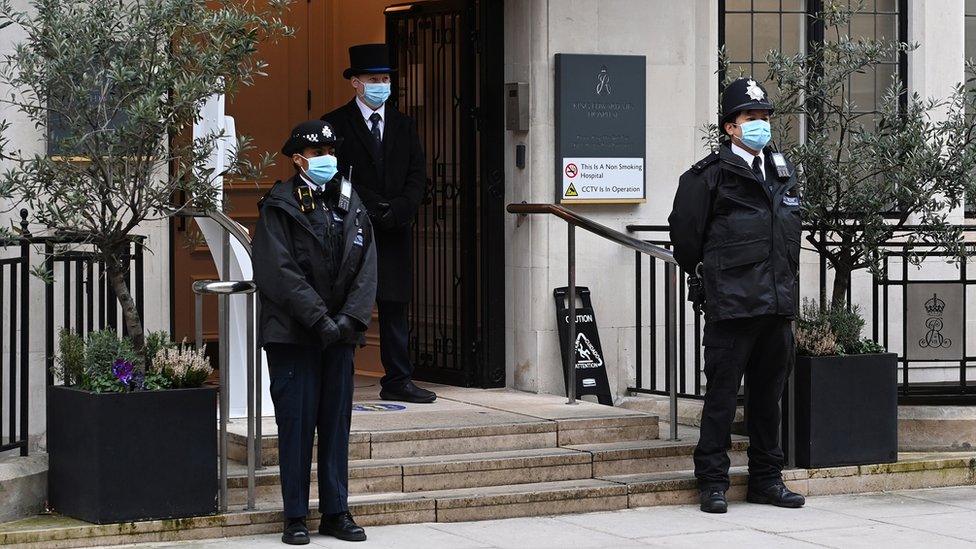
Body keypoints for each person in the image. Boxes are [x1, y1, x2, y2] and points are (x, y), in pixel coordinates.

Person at [668, 77, 806, 514]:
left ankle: (767, 479)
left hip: (776, 303)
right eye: (751, 117)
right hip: (732, 305)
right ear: (731, 126)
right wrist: (711, 282)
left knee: (769, 401)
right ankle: (712, 482)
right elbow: (686, 240)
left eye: (765, 116)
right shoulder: (707, 177)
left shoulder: (781, 171)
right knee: (723, 399)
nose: (760, 124)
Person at [253, 119, 377, 544]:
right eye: (318, 153)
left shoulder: (348, 200)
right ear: (298, 159)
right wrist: (320, 320)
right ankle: (294, 516)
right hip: (294, 335)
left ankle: (336, 511)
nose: (327, 159)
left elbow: (366, 265)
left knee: (336, 424)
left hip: (338, 336)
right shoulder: (279, 204)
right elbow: (279, 273)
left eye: (330, 152)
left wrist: (347, 321)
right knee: (296, 425)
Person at [322, 43, 435, 404]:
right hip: (352, 228)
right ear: (355, 82)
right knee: (346, 302)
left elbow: (418, 173)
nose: (380, 85)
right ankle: (339, 377)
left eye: (385, 78)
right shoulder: (335, 124)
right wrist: (371, 206)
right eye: (373, 79)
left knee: (394, 304)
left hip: (394, 229)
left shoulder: (404, 124)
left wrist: (400, 208)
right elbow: (334, 174)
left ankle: (399, 378)